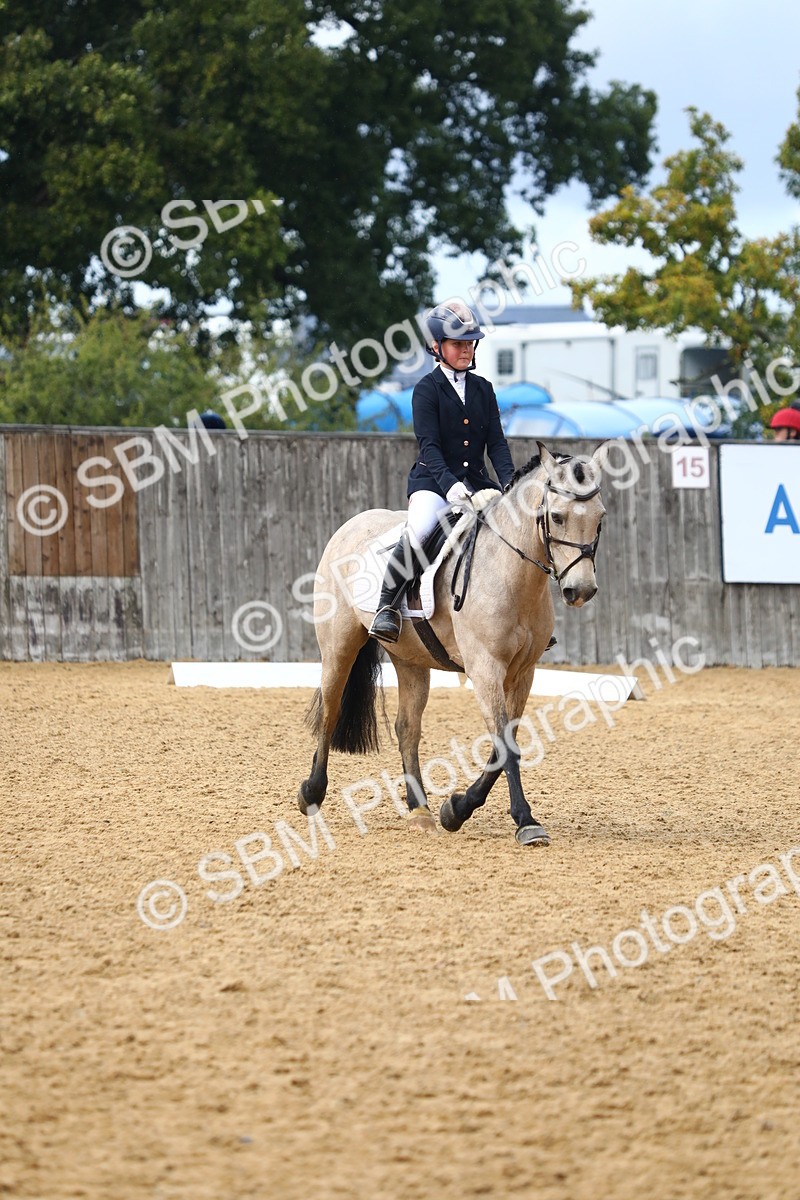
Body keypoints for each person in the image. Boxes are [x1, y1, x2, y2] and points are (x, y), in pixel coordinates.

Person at [368, 300, 516, 642]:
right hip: (433, 483)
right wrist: (449, 485)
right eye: (457, 343)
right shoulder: (426, 389)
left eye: (469, 342)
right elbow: (429, 446)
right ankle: (386, 607)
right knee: (420, 530)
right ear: (437, 347)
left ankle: (520, 615)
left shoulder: (484, 390)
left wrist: (509, 483)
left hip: (477, 483)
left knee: (513, 530)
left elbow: (496, 444)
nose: (466, 349)